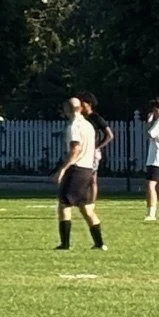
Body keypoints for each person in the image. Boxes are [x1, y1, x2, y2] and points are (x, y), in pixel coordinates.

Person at [55, 95, 105, 251]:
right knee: (86, 207)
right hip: (88, 169)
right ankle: (99, 243)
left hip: (76, 168)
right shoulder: (88, 125)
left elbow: (75, 149)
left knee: (64, 205)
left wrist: (63, 168)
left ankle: (65, 244)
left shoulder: (74, 126)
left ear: (67, 109)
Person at [80, 92, 116, 201]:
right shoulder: (80, 118)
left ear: (89, 104)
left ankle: (91, 202)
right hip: (81, 150)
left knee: (92, 178)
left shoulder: (95, 118)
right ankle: (83, 199)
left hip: (92, 152)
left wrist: (98, 147)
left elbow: (109, 135)